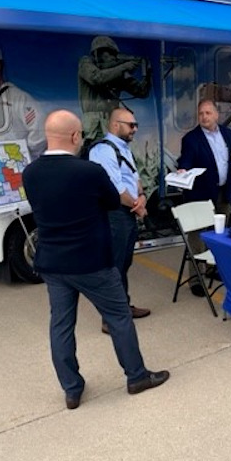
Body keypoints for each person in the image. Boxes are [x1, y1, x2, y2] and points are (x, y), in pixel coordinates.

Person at [22, 110, 169, 409]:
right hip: (92, 262)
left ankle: (72, 389)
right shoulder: (88, 172)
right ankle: (136, 376)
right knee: (118, 317)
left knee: (61, 326)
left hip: (52, 263)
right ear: (75, 137)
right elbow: (112, 200)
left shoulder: (30, 173)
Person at [176, 98, 231, 296]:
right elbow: (186, 160)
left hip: (223, 192)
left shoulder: (228, 134)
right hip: (200, 194)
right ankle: (197, 279)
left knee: (219, 234)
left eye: (208, 113)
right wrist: (183, 169)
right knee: (197, 236)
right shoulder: (191, 138)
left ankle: (214, 269)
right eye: (201, 114)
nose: (204, 117)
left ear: (217, 115)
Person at [89, 107, 151, 323]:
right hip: (114, 214)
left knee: (123, 263)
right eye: (131, 125)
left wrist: (142, 195)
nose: (135, 129)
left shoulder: (123, 148)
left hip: (127, 212)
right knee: (113, 266)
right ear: (115, 125)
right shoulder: (103, 150)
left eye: (136, 125)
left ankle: (123, 306)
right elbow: (115, 188)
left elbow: (134, 177)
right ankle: (111, 318)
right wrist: (139, 206)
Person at [78, 35, 149, 142]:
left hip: (114, 128)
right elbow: (97, 78)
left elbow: (141, 92)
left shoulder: (117, 73)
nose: (112, 57)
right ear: (97, 53)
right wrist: (125, 67)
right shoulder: (86, 62)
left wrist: (147, 74)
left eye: (114, 55)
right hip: (94, 129)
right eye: (108, 53)